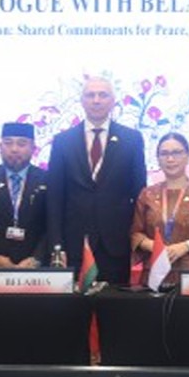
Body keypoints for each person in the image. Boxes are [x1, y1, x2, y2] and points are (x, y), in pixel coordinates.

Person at [47, 77, 147, 283]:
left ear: (113, 101)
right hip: (73, 244)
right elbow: (54, 197)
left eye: (103, 95)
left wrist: (136, 240)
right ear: (82, 101)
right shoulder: (62, 141)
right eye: (90, 95)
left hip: (116, 244)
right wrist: (57, 245)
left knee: (114, 311)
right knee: (74, 312)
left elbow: (139, 193)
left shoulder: (132, 139)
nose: (96, 100)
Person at [131, 133, 189, 277]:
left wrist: (187, 245)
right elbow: (135, 234)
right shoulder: (147, 194)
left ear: (188, 157)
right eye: (164, 154)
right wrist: (152, 245)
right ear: (158, 159)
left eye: (177, 152)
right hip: (154, 275)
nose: (170, 159)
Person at [0, 122, 51, 269]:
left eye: (22, 144)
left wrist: (37, 258)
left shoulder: (48, 180)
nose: (14, 149)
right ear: (0, 147)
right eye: (8, 143)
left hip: (36, 268)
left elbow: (53, 223)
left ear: (33, 148)